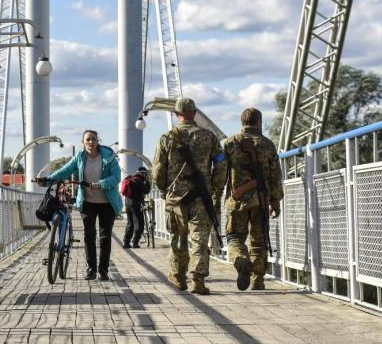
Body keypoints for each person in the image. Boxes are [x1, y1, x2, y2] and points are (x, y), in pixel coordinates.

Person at [152, 98, 227, 295]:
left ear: (176, 115)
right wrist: (216, 190)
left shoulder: (167, 138)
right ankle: (198, 280)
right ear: (194, 113)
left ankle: (177, 276)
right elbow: (221, 165)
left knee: (178, 237)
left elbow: (158, 170)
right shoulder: (210, 137)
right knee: (200, 240)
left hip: (175, 198)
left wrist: (163, 190)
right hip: (202, 198)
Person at [33, 130, 123, 281]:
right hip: (88, 202)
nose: (90, 142)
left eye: (93, 139)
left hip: (108, 202)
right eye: (87, 140)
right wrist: (48, 180)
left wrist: (100, 184)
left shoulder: (109, 157)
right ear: (83, 142)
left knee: (105, 236)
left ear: (98, 141)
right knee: (89, 235)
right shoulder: (80, 157)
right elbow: (65, 171)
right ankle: (91, 270)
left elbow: (116, 177)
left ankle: (103, 270)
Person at [222, 108, 283, 291]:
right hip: (261, 200)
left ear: (242, 122)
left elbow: (219, 171)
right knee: (259, 240)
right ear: (259, 122)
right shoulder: (268, 145)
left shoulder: (230, 143)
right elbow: (275, 176)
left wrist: (217, 193)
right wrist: (275, 202)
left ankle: (241, 260)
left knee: (234, 237)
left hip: (237, 200)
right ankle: (258, 279)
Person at [121, 166, 152, 249]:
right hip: (135, 205)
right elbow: (146, 190)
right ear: (144, 173)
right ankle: (135, 242)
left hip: (127, 204)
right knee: (139, 224)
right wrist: (148, 182)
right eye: (146, 174)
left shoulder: (131, 179)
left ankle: (126, 242)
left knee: (130, 223)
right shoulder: (139, 181)